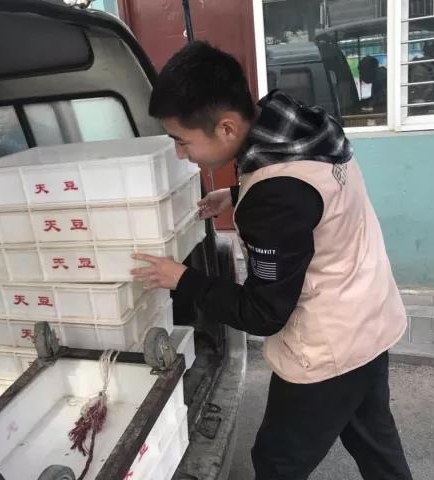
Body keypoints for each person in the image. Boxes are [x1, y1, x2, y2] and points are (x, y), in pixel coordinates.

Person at [131, 41, 413, 480]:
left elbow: (263, 313)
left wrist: (183, 279)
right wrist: (237, 193)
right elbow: (309, 201)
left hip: (328, 349)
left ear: (227, 127)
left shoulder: (275, 196)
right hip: (370, 319)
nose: (180, 154)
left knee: (277, 463)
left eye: (182, 142)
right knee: (375, 444)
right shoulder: (297, 125)